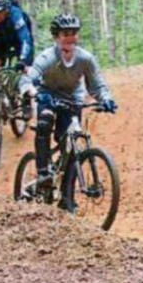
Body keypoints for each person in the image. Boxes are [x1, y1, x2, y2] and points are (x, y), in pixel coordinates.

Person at [19, 13, 117, 204]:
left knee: (72, 147)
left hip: (73, 100)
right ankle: (42, 173)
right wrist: (33, 93)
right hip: (47, 95)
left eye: (73, 33)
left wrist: (106, 99)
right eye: (65, 33)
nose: (70, 37)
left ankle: (67, 198)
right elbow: (27, 78)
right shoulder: (47, 57)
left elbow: (97, 84)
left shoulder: (85, 58)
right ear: (57, 37)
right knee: (45, 119)